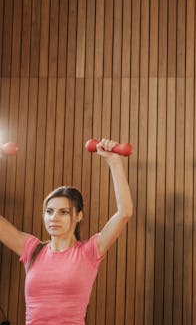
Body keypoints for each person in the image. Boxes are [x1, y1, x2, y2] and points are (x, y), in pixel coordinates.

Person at [0, 139, 133, 325]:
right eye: (49, 211)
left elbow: (125, 212)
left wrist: (114, 162)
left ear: (79, 216)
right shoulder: (31, 249)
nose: (53, 218)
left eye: (63, 212)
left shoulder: (89, 252)